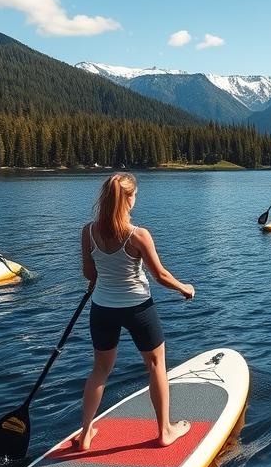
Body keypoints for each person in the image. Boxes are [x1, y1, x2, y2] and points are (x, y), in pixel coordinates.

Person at [75, 173, 195, 451]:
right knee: (156, 365)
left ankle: (84, 436)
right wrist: (184, 287)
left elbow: (88, 273)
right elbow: (160, 275)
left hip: (103, 309)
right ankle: (165, 431)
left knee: (100, 370)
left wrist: (105, 274)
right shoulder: (138, 235)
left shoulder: (88, 232)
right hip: (138, 308)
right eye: (135, 196)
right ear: (128, 199)